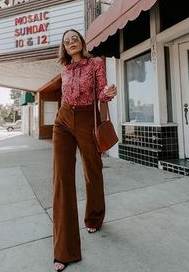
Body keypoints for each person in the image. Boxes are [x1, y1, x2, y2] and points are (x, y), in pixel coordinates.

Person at [53, 29, 117, 271]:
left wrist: (108, 93)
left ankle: (94, 216)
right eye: (66, 41)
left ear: (81, 42)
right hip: (63, 119)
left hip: (86, 119)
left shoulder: (96, 63)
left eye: (74, 38)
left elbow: (101, 90)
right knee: (61, 179)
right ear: (64, 47)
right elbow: (64, 95)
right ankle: (64, 251)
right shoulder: (64, 69)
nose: (71, 42)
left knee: (93, 170)